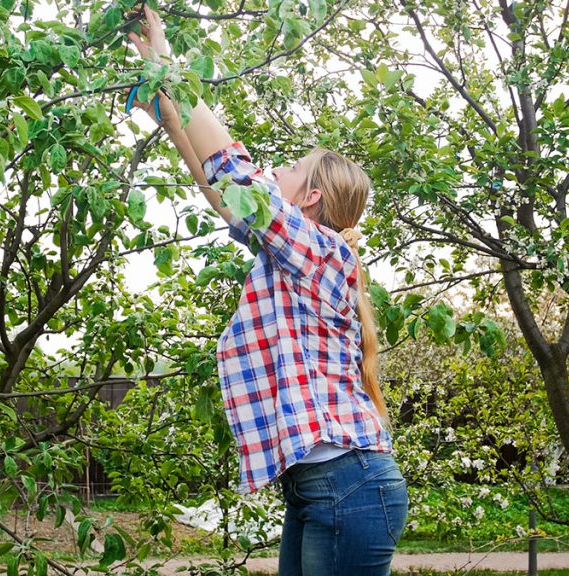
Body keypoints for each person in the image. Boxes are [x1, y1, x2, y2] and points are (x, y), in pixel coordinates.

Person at [125, 8, 408, 575]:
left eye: (291, 169)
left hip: (349, 486)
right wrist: (164, 98)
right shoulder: (291, 258)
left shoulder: (321, 251)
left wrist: (168, 59)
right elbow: (222, 193)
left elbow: (235, 173)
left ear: (310, 199)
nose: (275, 171)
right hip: (321, 486)